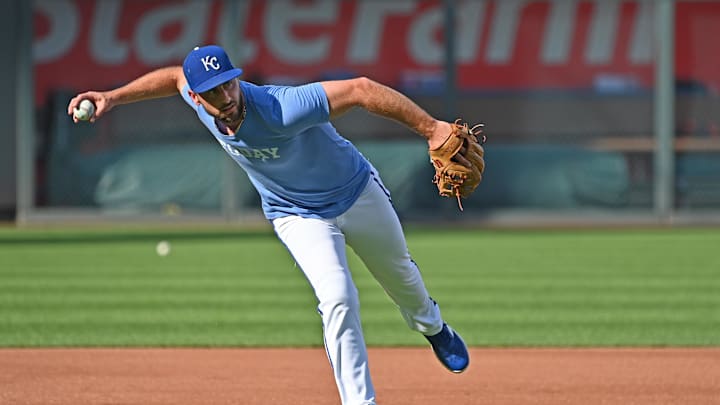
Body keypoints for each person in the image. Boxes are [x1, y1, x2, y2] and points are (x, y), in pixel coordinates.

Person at [68, 45, 470, 405]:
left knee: (401, 278)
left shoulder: (282, 106)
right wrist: (112, 97)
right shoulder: (197, 100)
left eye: (228, 84)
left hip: (356, 191)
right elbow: (174, 76)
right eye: (212, 91)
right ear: (196, 96)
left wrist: (431, 129)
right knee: (337, 298)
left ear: (237, 78)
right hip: (296, 214)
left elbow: (362, 88)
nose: (225, 97)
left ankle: (432, 327)